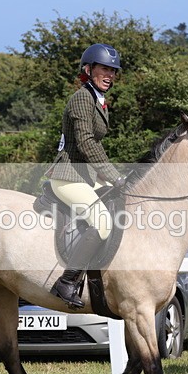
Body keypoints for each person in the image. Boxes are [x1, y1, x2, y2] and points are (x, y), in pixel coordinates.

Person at [46, 43, 126, 309]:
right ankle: (67, 282)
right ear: (88, 69)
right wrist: (113, 175)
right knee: (102, 222)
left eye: (113, 71)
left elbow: (95, 146)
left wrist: (117, 178)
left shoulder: (97, 99)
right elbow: (86, 143)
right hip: (68, 176)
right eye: (104, 69)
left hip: (86, 175)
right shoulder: (82, 98)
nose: (110, 75)